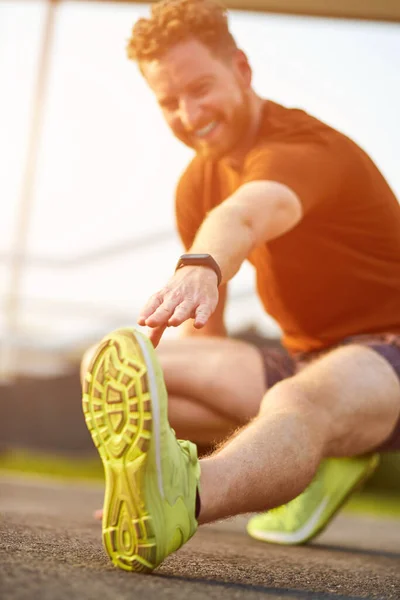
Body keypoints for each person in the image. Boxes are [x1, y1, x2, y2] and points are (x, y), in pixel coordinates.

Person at [81, 0, 400, 573]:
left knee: (298, 402)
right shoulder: (194, 184)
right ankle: (310, 448)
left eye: (201, 87)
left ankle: (184, 498)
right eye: (169, 101)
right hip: (308, 360)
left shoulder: (305, 147)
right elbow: (209, 337)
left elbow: (250, 213)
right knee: (128, 377)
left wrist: (201, 263)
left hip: (387, 355)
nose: (190, 112)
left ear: (243, 71)